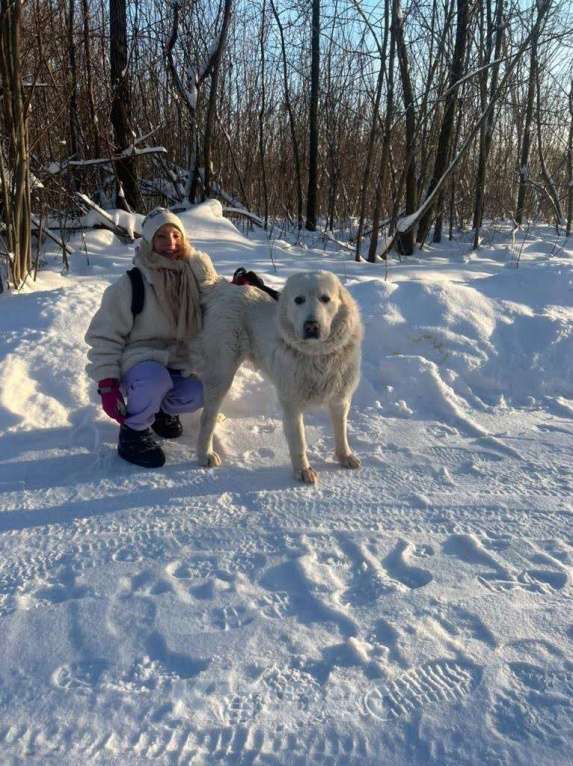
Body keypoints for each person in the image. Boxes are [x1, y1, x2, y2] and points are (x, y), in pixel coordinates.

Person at [85, 208, 219, 468]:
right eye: (161, 237)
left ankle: (160, 414)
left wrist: (243, 288)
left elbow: (219, 299)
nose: (170, 244)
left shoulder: (193, 276)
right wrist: (107, 384)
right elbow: (104, 335)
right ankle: (133, 434)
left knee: (202, 391)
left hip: (178, 363)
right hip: (140, 364)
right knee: (154, 379)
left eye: (175, 235)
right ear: (148, 241)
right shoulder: (131, 283)